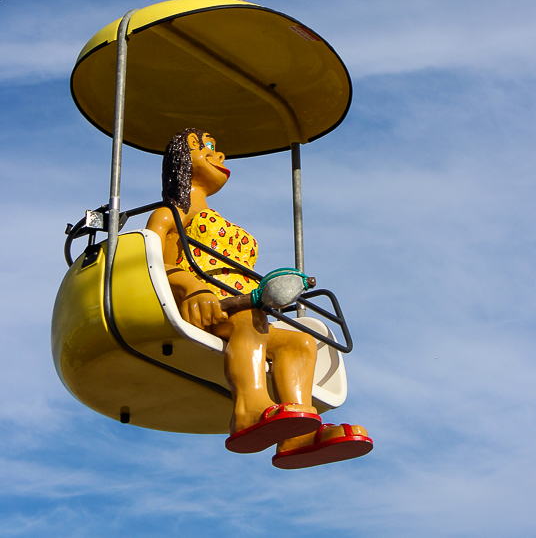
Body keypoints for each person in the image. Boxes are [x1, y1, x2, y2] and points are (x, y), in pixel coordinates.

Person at [146, 127, 372, 468]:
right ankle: (248, 409)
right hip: (195, 305)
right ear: (183, 155)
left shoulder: (218, 219)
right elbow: (151, 260)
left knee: (300, 345)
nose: (219, 155)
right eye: (205, 146)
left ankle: (298, 434)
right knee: (250, 320)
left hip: (236, 307)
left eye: (216, 147)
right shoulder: (172, 213)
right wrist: (192, 287)